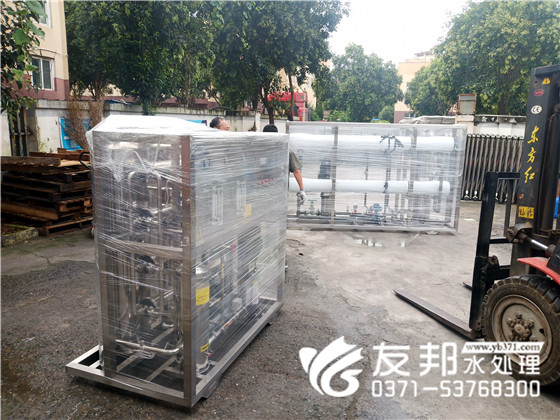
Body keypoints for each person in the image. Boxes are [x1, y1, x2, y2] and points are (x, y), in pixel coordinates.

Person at [263, 124, 306, 205]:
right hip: (280, 191)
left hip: (260, 189)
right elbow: (296, 171)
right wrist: (302, 190)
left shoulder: (258, 148)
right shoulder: (285, 149)